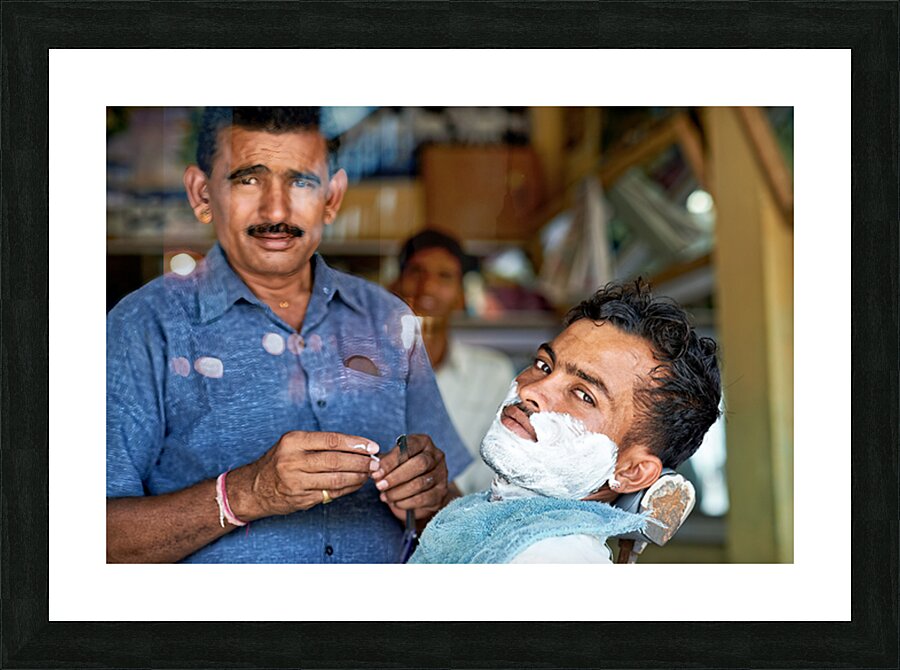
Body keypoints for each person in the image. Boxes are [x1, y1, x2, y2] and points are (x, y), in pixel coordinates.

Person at [106, 107, 471, 563]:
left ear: (332, 197)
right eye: (248, 179)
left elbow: (451, 507)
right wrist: (245, 493)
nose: (276, 210)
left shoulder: (387, 318)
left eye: (301, 181)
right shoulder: (143, 328)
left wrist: (431, 495)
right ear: (202, 193)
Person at [409, 280, 722, 563]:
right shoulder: (502, 524)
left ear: (631, 471)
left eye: (584, 395)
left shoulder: (552, 563)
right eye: (544, 365)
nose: (531, 391)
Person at [392, 230, 516, 494]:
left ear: (461, 296)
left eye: (444, 276)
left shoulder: (492, 374)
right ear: (395, 284)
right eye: (416, 272)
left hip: (461, 522)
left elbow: (495, 473)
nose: (427, 286)